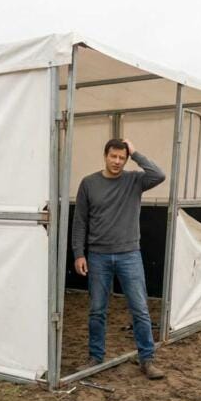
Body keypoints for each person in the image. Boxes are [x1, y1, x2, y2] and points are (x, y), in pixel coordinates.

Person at [72, 138, 167, 379]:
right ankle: (95, 357)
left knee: (140, 309)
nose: (117, 161)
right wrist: (79, 253)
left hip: (129, 254)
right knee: (97, 310)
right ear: (105, 156)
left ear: (126, 159)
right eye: (113, 156)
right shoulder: (89, 183)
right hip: (98, 256)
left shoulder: (134, 180)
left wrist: (135, 153)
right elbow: (80, 221)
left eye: (122, 158)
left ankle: (147, 360)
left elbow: (159, 174)